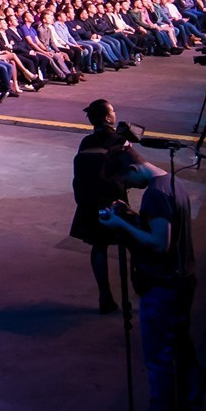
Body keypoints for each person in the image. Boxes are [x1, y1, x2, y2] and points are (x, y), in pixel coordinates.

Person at [93, 156, 200, 411]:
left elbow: (158, 243)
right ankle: (188, 410)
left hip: (164, 285)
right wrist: (132, 215)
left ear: (132, 168)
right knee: (181, 349)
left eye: (126, 181)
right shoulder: (172, 182)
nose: (129, 187)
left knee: (159, 358)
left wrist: (119, 224)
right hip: (183, 279)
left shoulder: (155, 194)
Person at [68, 98, 145, 313]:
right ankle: (139, 284)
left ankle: (105, 294)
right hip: (115, 201)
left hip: (90, 203)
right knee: (135, 242)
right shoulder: (120, 141)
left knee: (98, 246)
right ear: (107, 117)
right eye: (113, 111)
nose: (115, 114)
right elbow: (134, 173)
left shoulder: (85, 142)